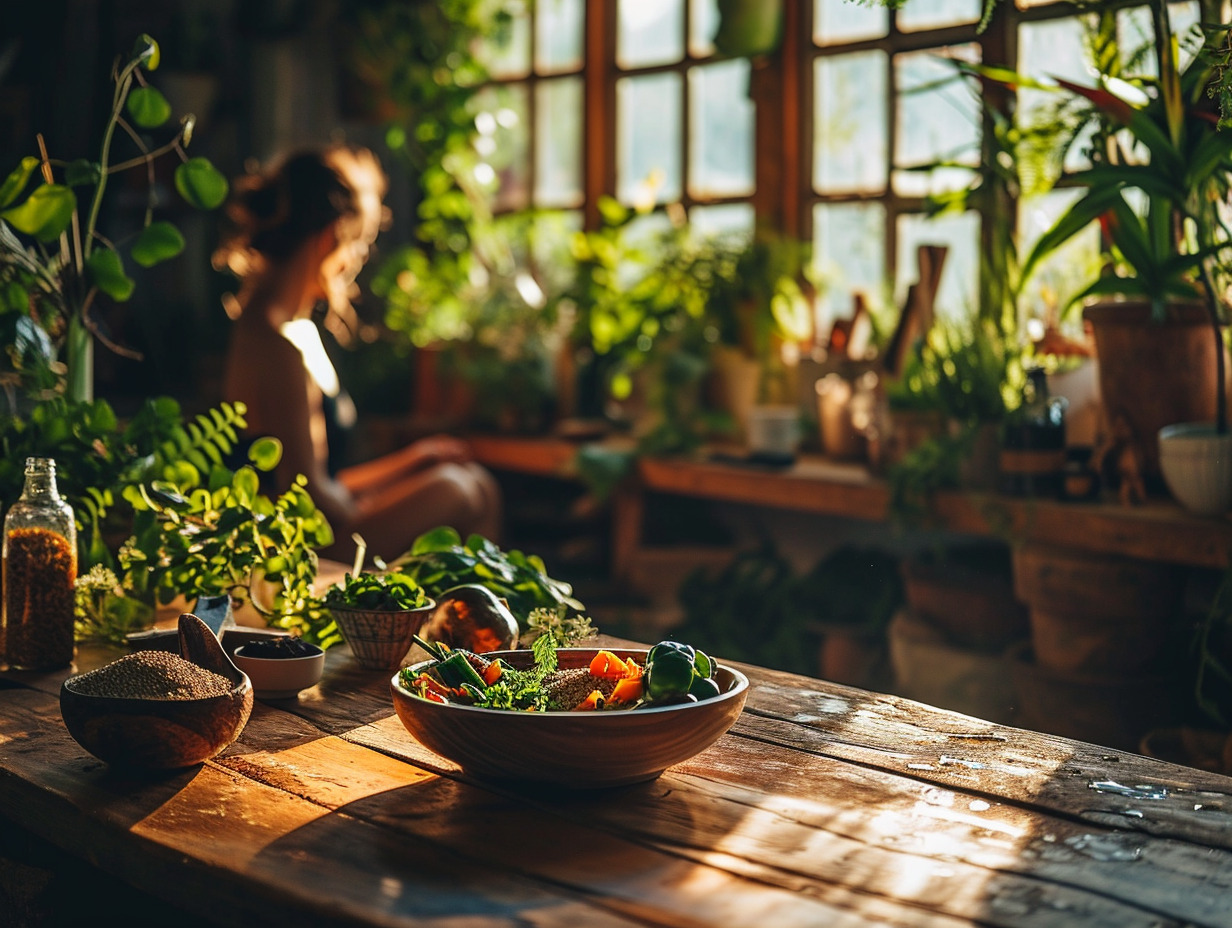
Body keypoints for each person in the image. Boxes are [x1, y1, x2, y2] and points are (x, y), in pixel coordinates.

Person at [216, 146, 501, 562]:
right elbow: (309, 495)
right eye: (361, 244)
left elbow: (324, 477)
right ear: (331, 236)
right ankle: (475, 616)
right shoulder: (272, 346)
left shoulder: (298, 330)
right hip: (298, 549)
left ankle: (471, 618)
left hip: (331, 517)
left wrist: (411, 462)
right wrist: (379, 504)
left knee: (473, 481)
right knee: (459, 489)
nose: (358, 259)